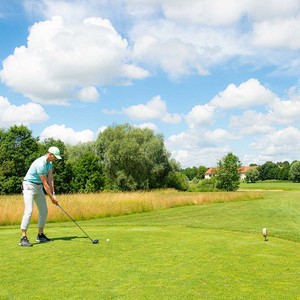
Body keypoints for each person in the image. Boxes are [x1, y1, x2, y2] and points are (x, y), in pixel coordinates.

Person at [19, 146, 61, 247]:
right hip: (29, 186)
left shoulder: (49, 163)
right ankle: (23, 238)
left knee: (44, 210)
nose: (55, 159)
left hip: (38, 187)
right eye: (55, 157)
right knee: (29, 211)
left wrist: (53, 194)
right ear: (50, 154)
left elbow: (50, 179)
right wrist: (51, 198)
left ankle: (40, 235)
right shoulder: (40, 163)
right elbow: (45, 183)